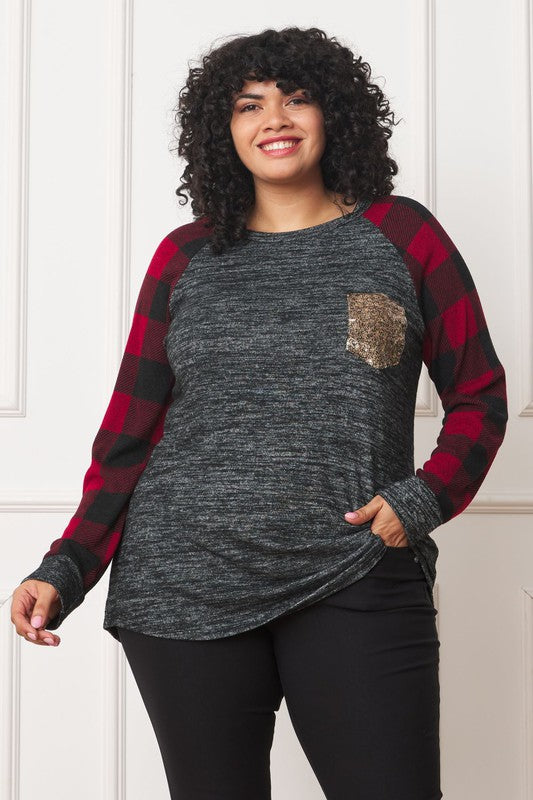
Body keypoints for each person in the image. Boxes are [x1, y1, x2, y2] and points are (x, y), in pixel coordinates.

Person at [11, 26, 508, 799]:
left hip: (354, 567)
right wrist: (66, 566)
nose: (273, 118)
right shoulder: (185, 256)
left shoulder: (401, 235)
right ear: (224, 129)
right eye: (248, 104)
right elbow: (129, 437)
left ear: (333, 113)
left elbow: (478, 395)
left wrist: (421, 499)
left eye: (295, 98)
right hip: (182, 582)